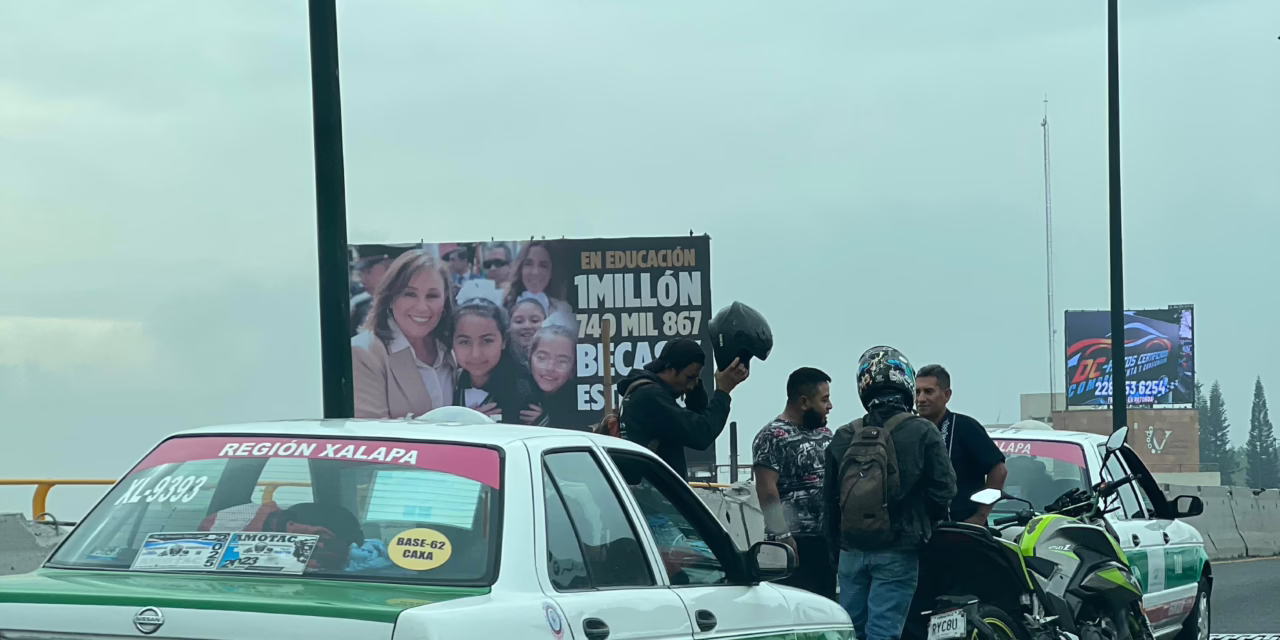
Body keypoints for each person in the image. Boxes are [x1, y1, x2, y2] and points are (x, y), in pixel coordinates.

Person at [823, 346, 956, 640]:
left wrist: (836, 549)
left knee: (850, 632)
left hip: (851, 550)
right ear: (906, 382)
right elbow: (944, 489)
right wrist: (924, 526)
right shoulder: (923, 431)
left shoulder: (844, 435)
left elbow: (829, 501)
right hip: (899, 549)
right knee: (884, 632)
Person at [609, 339, 749, 479]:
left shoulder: (642, 392)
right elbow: (701, 434)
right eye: (689, 377)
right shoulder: (651, 396)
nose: (691, 385)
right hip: (654, 494)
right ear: (671, 369)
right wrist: (723, 392)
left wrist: (696, 391)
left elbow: (698, 420)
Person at [752, 367, 836, 599]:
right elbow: (767, 491)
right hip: (793, 543)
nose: (830, 406)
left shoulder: (826, 434)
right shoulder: (772, 436)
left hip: (824, 543)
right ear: (803, 402)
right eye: (824, 399)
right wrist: (783, 537)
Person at [351, 250, 457, 418]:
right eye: (410, 294)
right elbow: (373, 436)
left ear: (445, 300)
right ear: (391, 298)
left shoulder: (452, 347)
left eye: (432, 296)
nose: (422, 307)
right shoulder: (363, 353)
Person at [915, 364, 1008, 524]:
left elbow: (999, 471)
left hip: (962, 530)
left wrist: (980, 516)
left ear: (947, 395)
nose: (921, 399)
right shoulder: (910, 430)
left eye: (928, 392)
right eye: (917, 392)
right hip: (918, 532)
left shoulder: (965, 427)